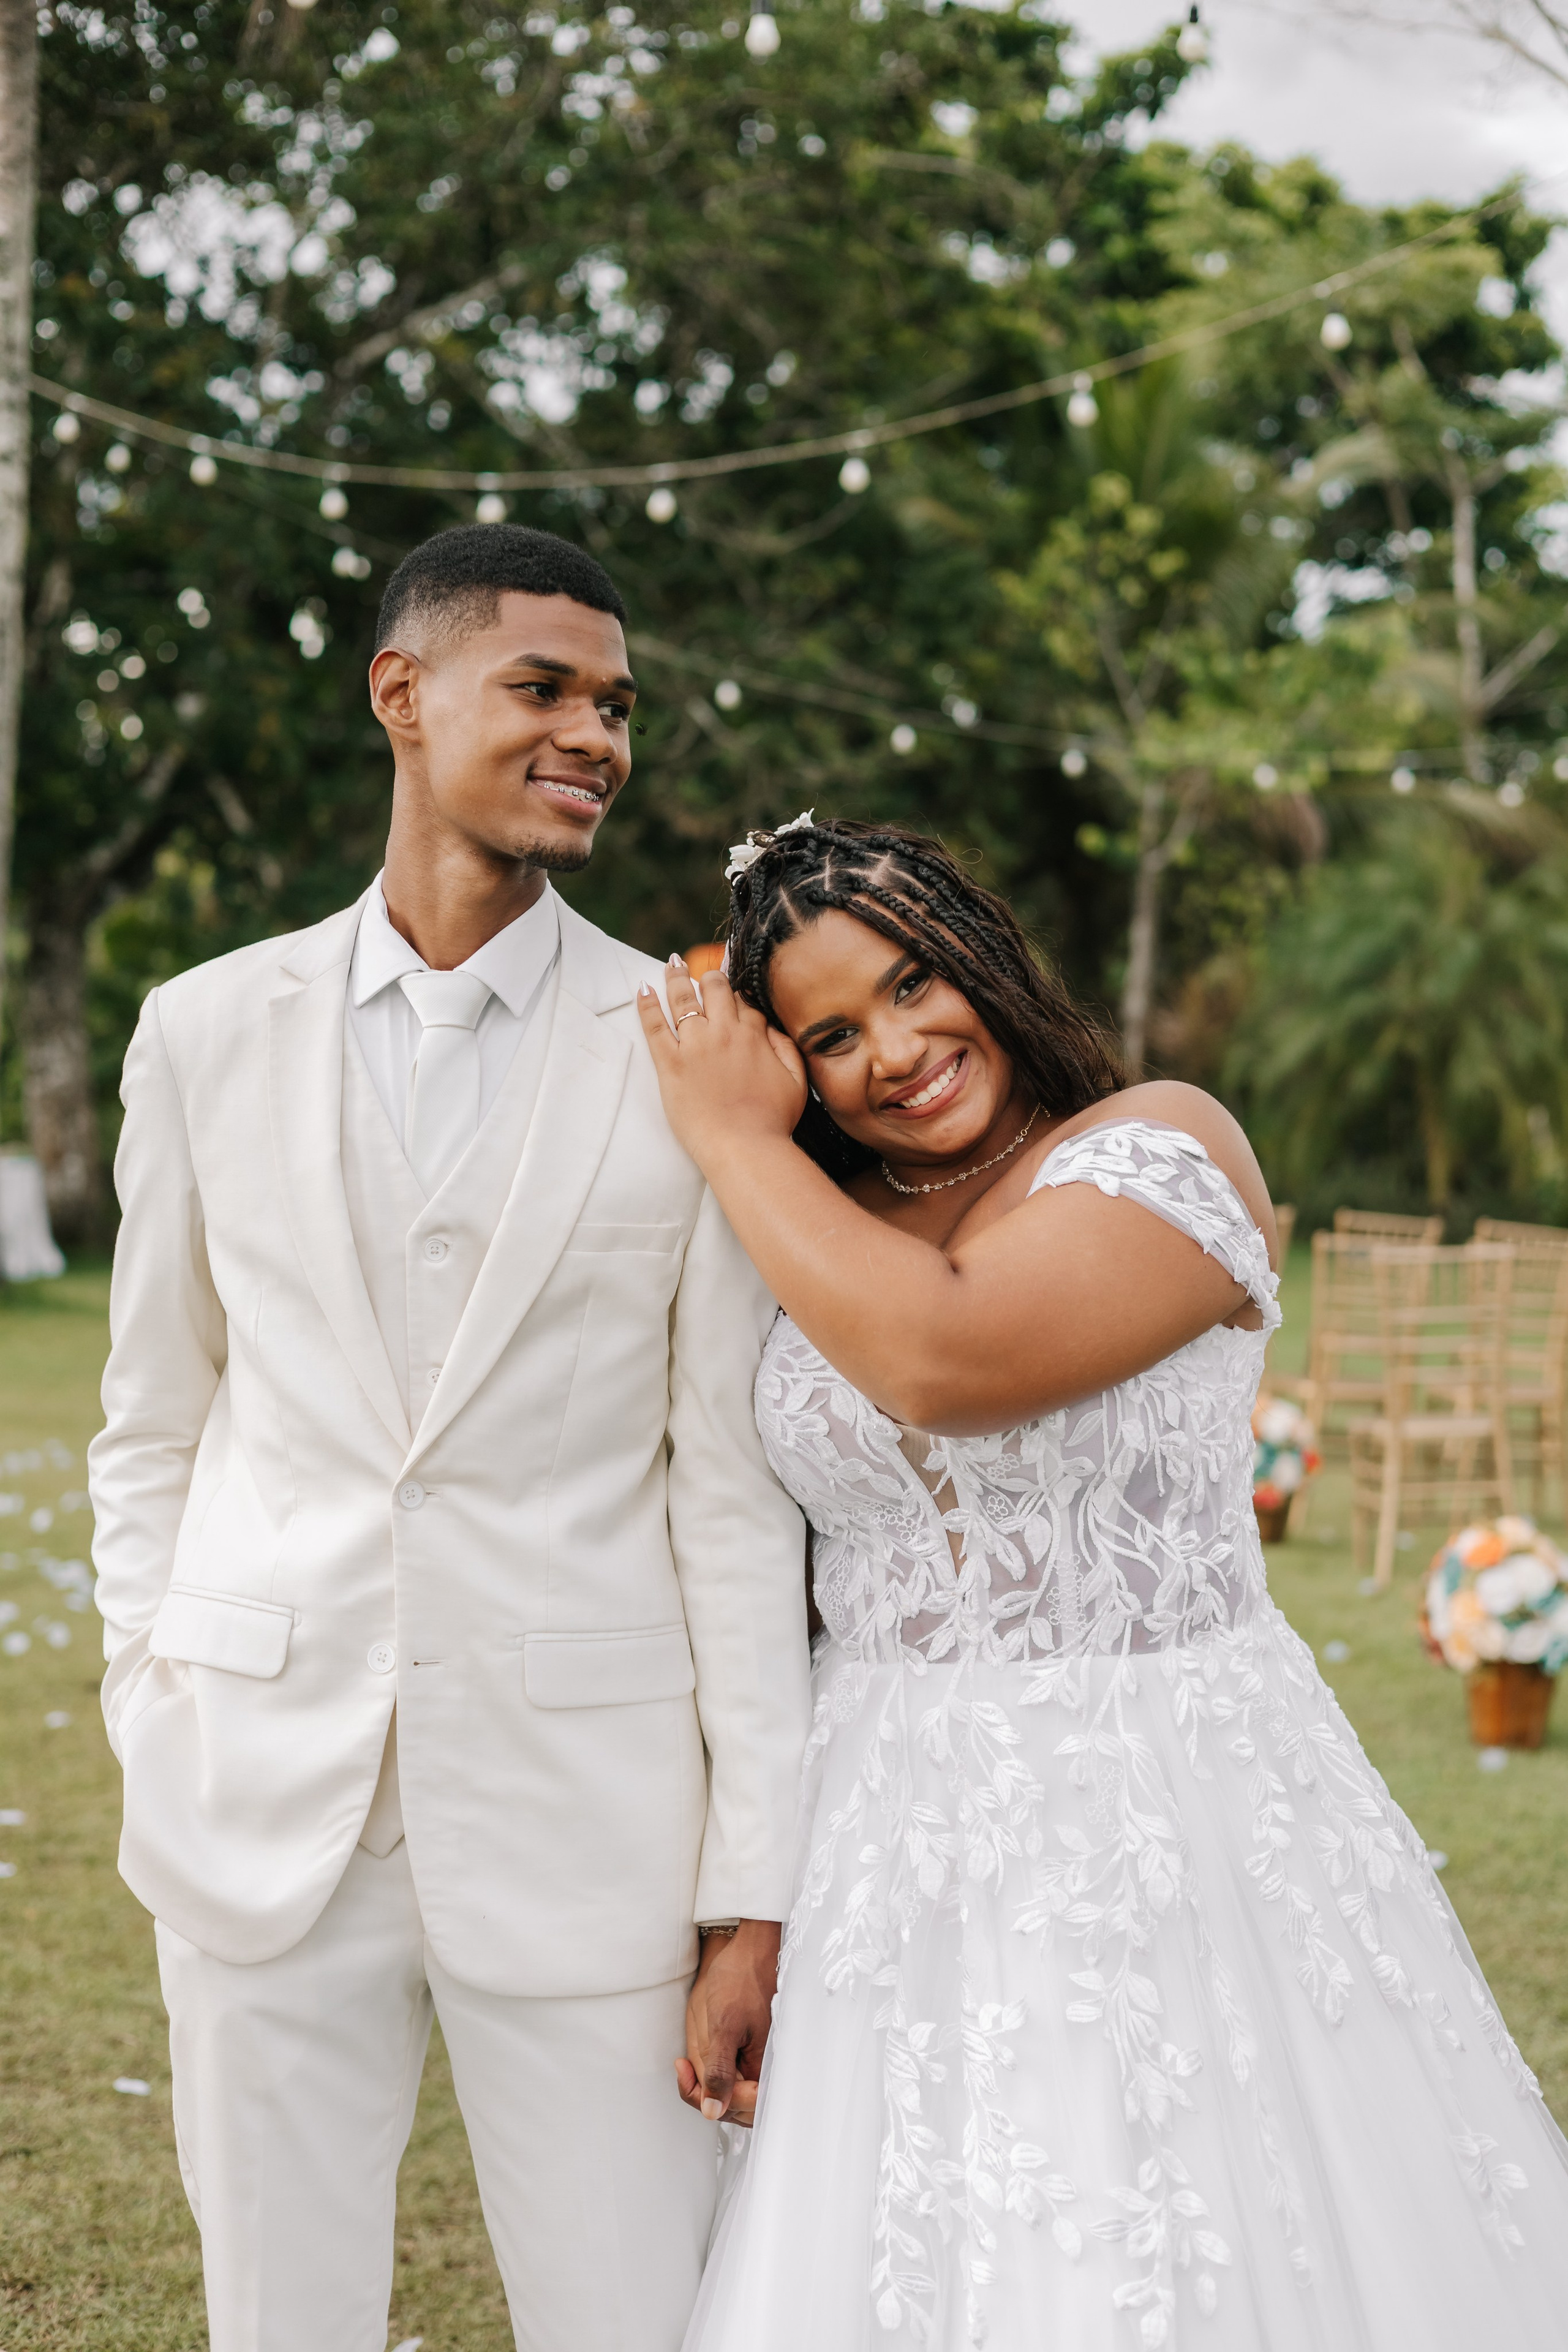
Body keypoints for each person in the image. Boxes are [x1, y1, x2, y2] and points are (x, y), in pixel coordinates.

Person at [636, 814, 1568, 2352]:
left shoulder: (1158, 1147)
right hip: (882, 1844)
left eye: (915, 980)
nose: (898, 1048)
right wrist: (750, 1911)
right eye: (830, 1034)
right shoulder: (821, 1227)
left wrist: (732, 1137)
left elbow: (945, 1357)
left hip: (1165, 1816)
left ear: (984, 956)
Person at [87, 526, 810, 2352]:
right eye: (547, 689)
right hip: (257, 1799)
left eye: (619, 706)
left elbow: (727, 1487)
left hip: (593, 1831)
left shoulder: (686, 1041)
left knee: (641, 2320)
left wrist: (751, 1884)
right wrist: (144, 1688)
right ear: (403, 696)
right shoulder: (198, 1033)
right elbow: (151, 1417)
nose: (596, 736)